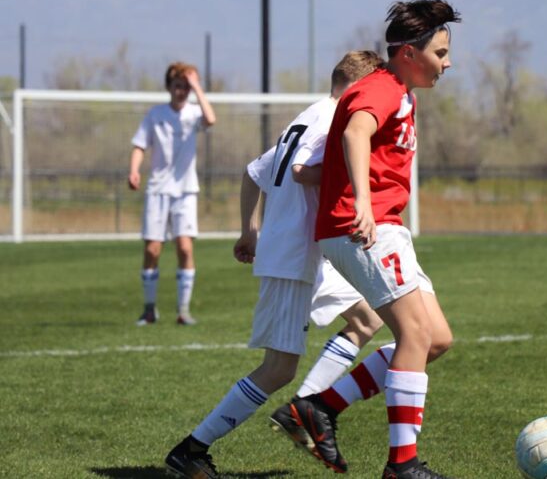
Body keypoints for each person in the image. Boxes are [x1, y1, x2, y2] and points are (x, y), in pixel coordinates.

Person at [164, 51, 384, 479]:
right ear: (359, 87)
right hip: (293, 254)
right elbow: (303, 171)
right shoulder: (334, 119)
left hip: (311, 251)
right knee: (277, 368)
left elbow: (253, 172)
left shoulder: (308, 116)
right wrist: (359, 181)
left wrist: (250, 229)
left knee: (366, 321)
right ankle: (191, 449)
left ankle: (308, 409)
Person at [285, 0, 461, 479]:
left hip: (384, 227)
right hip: (364, 227)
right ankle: (401, 466)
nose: (447, 63)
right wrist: (361, 201)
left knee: (436, 339)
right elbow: (356, 132)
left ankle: (320, 407)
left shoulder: (401, 90)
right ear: (408, 52)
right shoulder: (381, 88)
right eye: (440, 53)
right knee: (415, 333)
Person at [128, 62, 217, 326]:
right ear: (169, 87)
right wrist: (134, 170)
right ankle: (149, 309)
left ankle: (183, 310)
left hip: (186, 190)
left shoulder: (193, 113)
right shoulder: (155, 114)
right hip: (157, 189)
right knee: (153, 249)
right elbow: (139, 145)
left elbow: (211, 119)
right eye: (178, 86)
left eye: (186, 87)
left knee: (185, 247)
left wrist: (197, 86)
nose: (182, 92)